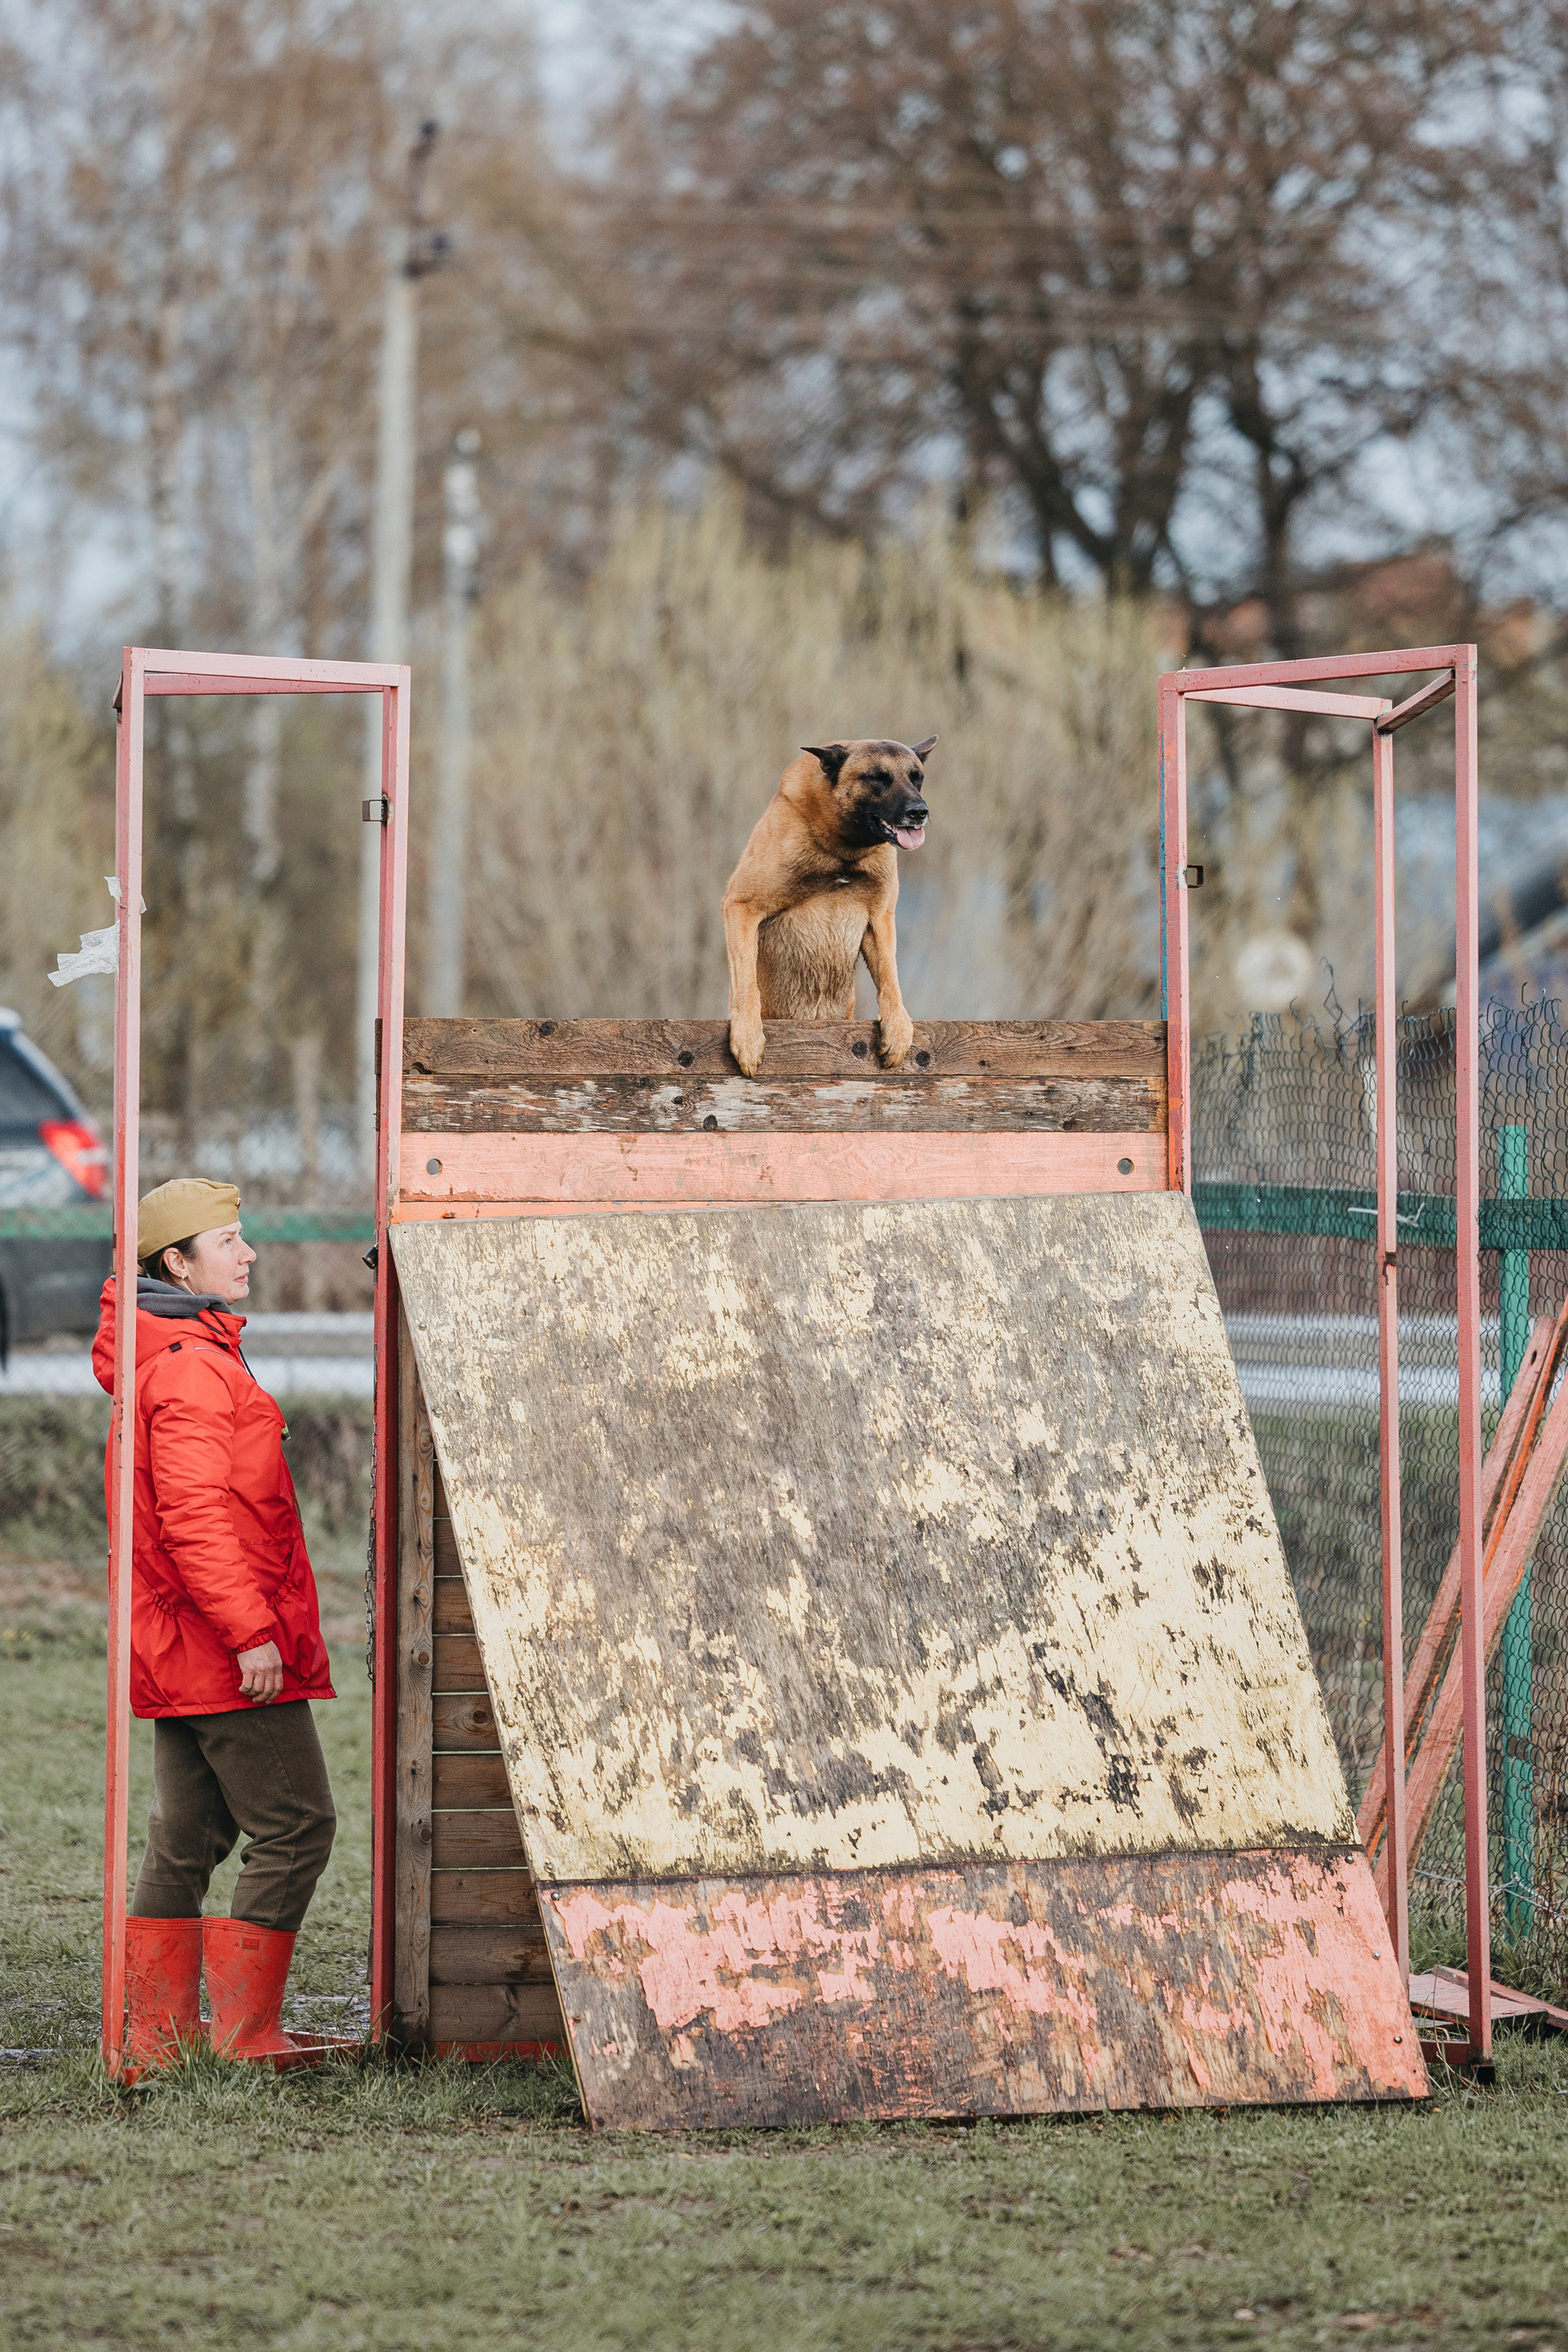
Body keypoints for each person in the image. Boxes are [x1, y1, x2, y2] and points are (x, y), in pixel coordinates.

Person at [92, 1178, 336, 2070]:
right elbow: (195, 1519)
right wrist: (252, 1635)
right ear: (177, 1262)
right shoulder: (192, 1366)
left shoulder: (174, 1355)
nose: (250, 1254)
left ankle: (158, 2040)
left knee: (189, 1837)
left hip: (178, 1651)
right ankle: (245, 2035)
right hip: (219, 1649)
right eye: (228, 1240)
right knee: (299, 1824)